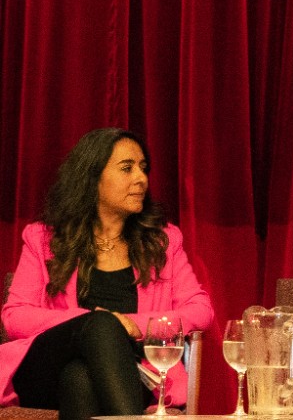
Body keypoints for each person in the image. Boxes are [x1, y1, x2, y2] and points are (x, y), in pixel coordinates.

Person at [0, 128, 214, 420]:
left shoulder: (162, 242)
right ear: (93, 178)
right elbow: (15, 317)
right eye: (127, 168)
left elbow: (201, 310)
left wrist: (133, 325)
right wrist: (97, 322)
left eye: (143, 168)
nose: (141, 179)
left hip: (133, 373)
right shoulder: (42, 239)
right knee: (99, 326)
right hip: (44, 372)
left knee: (80, 378)